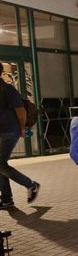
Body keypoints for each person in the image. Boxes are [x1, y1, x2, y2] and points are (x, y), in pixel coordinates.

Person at [0, 77, 40, 209]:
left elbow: (20, 109)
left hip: (9, 131)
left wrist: (22, 128)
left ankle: (31, 185)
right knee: (1, 165)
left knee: (0, 164)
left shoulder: (8, 89)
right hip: (3, 132)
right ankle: (6, 199)